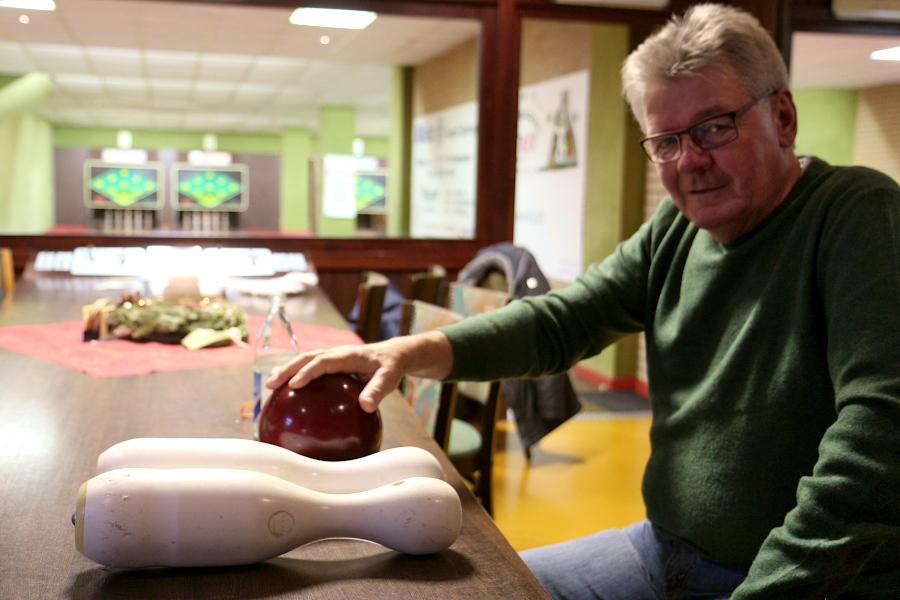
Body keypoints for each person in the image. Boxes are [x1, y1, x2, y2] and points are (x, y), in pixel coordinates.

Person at [267, 3, 900, 598]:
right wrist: (412, 351)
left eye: (715, 127)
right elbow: (564, 320)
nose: (690, 162)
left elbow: (880, 432)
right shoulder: (677, 230)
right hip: (666, 550)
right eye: (667, 141)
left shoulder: (856, 215)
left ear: (783, 118)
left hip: (809, 579)